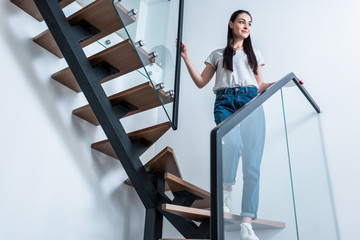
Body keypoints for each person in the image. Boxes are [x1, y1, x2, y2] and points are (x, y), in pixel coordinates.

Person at [180, 9, 273, 240]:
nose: (246, 26)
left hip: (251, 101)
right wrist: (186, 57)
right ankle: (227, 191)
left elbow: (260, 85)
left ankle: (247, 223)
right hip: (225, 102)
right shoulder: (217, 54)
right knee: (230, 143)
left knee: (253, 166)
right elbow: (202, 82)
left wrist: (283, 83)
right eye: (241, 21)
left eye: (249, 23)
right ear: (231, 24)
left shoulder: (255, 54)